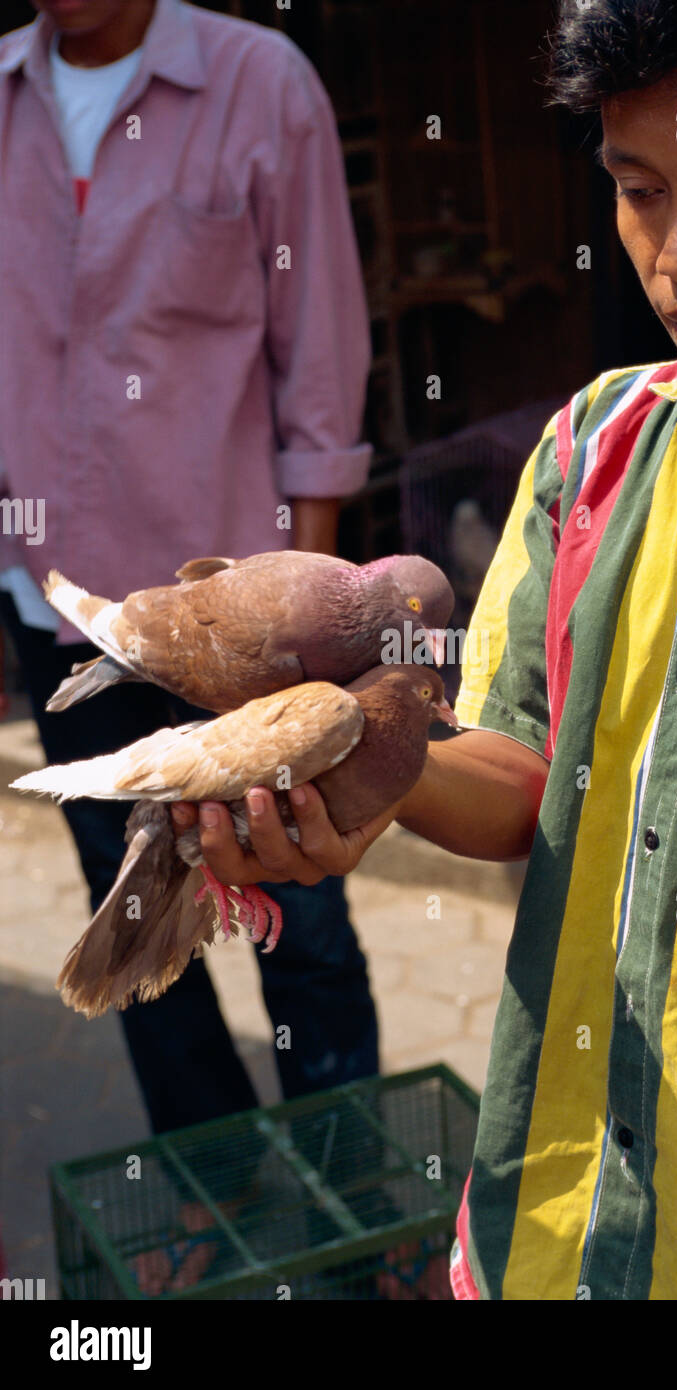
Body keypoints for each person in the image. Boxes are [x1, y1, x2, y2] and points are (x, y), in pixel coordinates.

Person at [180, 0, 677, 1299]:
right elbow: (523, 770)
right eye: (638, 189)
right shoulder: (596, 448)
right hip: (545, 1238)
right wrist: (370, 769)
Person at [0, 0, 378, 1293]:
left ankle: (354, 1209)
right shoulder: (0, 102)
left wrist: (303, 619)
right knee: (138, 917)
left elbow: (319, 354)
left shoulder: (259, 82)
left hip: (233, 629)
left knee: (296, 912)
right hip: (58, 610)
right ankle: (221, 1194)